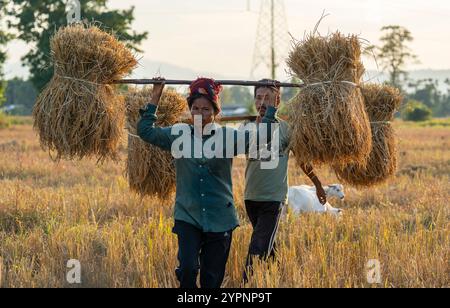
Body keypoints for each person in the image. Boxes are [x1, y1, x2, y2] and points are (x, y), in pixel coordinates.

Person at [137, 77, 279, 288]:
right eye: (195, 108)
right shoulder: (178, 134)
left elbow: (262, 137)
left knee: (211, 280)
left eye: (205, 109)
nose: (200, 114)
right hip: (188, 214)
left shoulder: (228, 136)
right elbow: (145, 131)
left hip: (220, 218)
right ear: (189, 110)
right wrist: (156, 95)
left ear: (215, 112)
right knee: (187, 269)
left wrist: (271, 110)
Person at [243, 79, 327, 283]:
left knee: (258, 246)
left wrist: (317, 185)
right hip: (251, 197)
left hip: (274, 198)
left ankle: (245, 285)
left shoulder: (286, 129)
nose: (262, 102)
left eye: (268, 98)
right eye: (259, 97)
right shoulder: (247, 129)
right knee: (266, 244)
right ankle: (282, 278)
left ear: (277, 100)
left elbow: (303, 161)